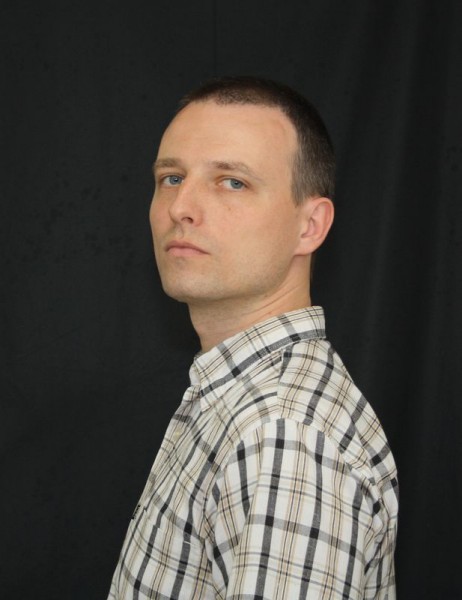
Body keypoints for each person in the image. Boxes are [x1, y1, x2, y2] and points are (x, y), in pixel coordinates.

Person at [107, 76, 398, 599]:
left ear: (310, 226)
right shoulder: (237, 396)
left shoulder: (285, 437)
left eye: (232, 182)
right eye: (171, 177)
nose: (181, 206)